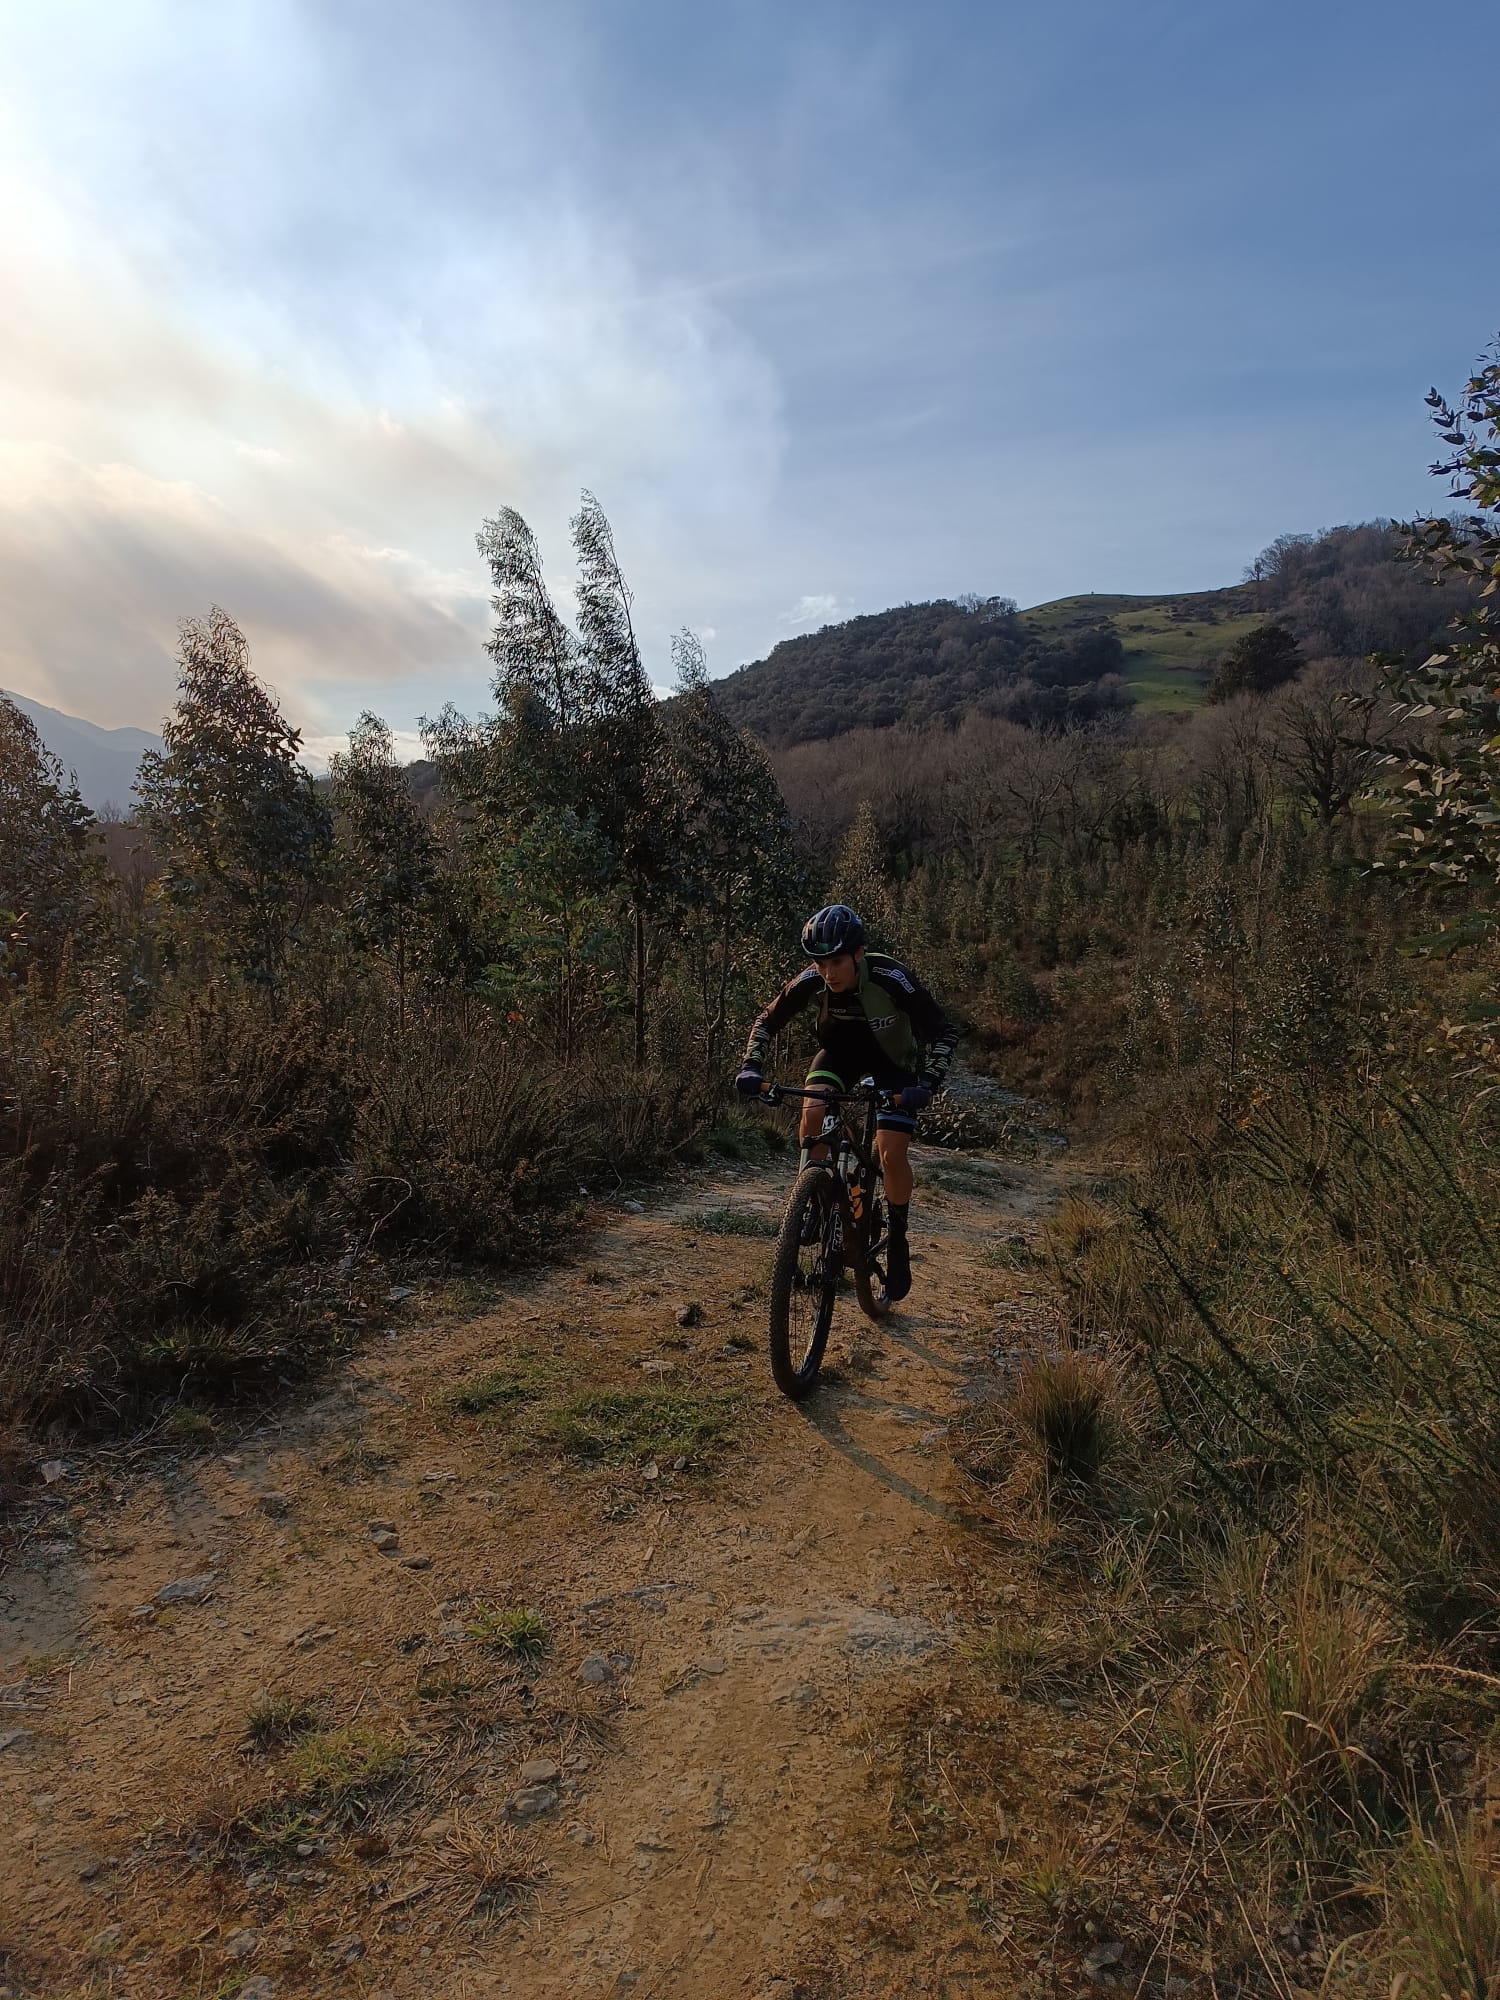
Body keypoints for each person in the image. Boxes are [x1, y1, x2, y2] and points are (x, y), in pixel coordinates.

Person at [734, 903, 959, 1303]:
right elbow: (766, 1020)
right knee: (813, 1114)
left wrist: (927, 1083)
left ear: (857, 953)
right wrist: (751, 1066)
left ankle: (898, 1238)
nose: (828, 972)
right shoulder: (813, 980)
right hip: (840, 1057)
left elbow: (943, 1032)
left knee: (890, 1154)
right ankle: (815, 1201)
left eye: (836, 961)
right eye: (820, 963)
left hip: (893, 1064)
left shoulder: (892, 977)